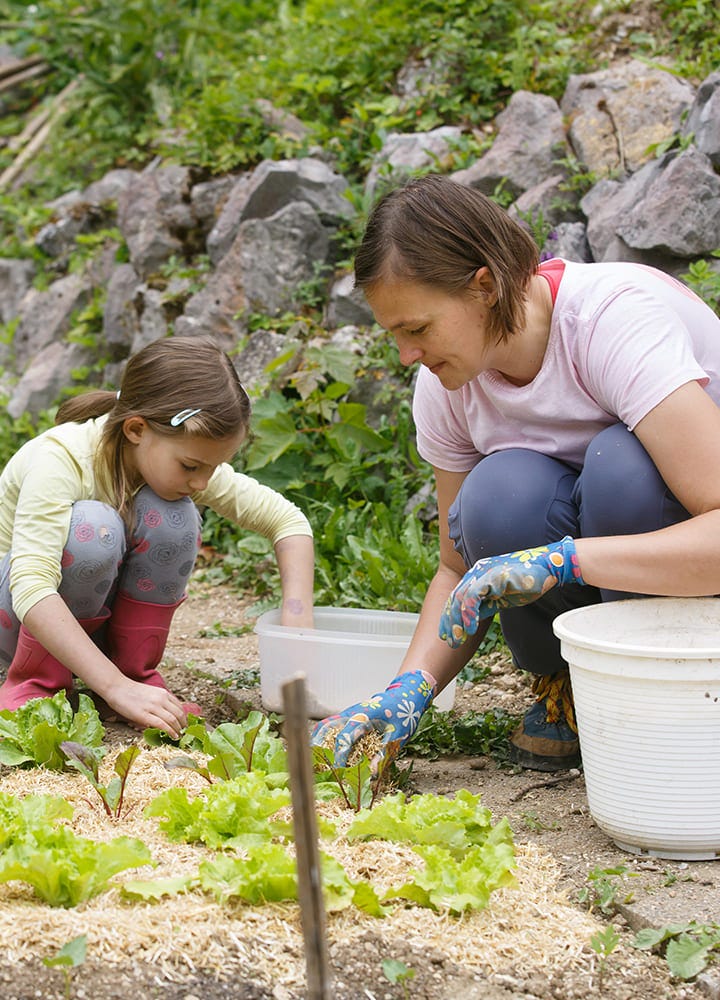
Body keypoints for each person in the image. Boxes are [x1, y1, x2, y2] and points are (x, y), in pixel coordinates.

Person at [311, 171, 720, 772]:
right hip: (609, 532)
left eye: (417, 329)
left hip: (683, 523)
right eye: (394, 335)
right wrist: (407, 691)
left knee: (621, 470)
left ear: (484, 286)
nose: (406, 356)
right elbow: (459, 564)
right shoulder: (446, 383)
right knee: (496, 499)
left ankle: (676, 687)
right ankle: (569, 691)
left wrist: (564, 560)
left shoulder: (610, 321)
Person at [0, 336, 314, 738]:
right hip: (20, 621)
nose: (202, 482)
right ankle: (38, 685)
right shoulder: (59, 460)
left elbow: (288, 522)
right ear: (136, 429)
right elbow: (31, 587)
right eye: (191, 466)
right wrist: (115, 689)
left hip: (84, 631)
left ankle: (133, 676)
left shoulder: (174, 460)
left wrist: (297, 625)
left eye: (213, 467)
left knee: (174, 515)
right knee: (94, 529)